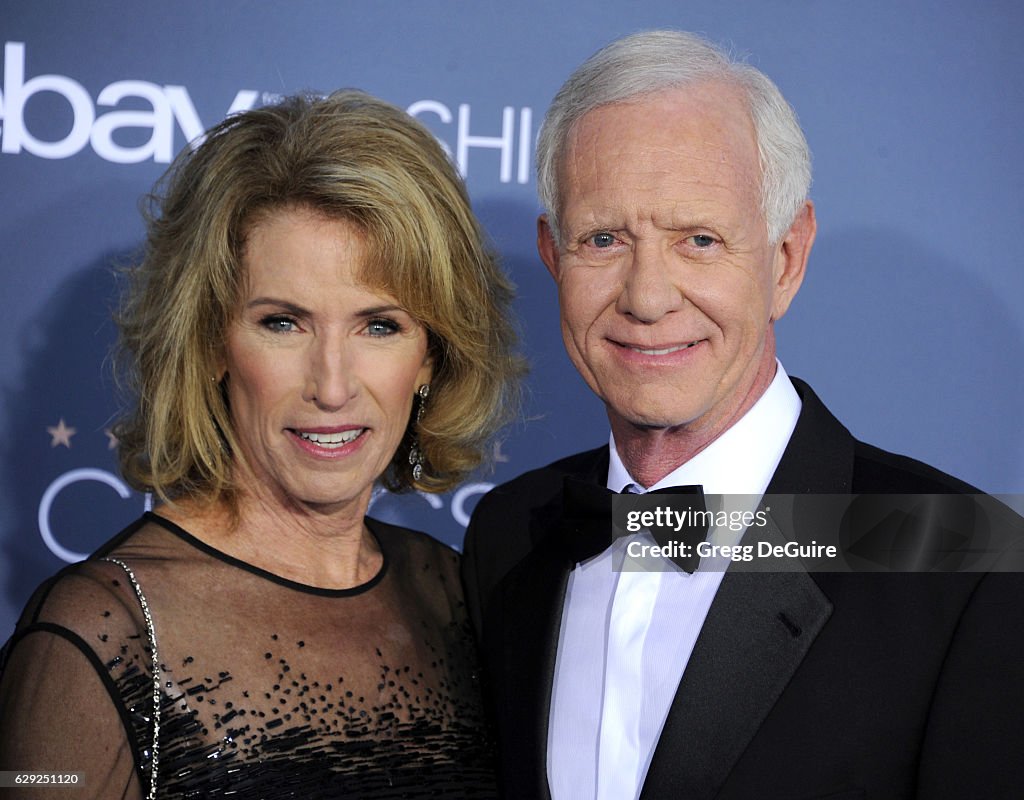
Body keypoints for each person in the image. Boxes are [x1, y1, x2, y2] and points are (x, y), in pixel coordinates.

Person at [462, 30, 1023, 799]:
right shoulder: (509, 534)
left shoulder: (963, 564)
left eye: (699, 239)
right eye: (603, 239)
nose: (647, 297)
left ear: (785, 261)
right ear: (554, 257)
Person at [0, 90, 522, 799]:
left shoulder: (458, 596)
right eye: (284, 323)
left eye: (379, 326)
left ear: (431, 356)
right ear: (213, 341)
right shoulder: (106, 632)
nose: (332, 386)